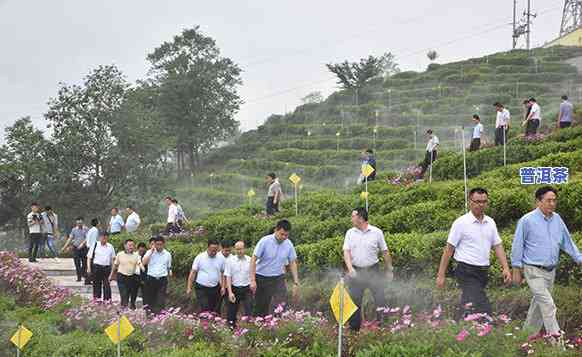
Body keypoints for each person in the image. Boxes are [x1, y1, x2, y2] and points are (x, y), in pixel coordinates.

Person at [511, 186, 582, 342]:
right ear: (538, 201)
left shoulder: (557, 219)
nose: (552, 203)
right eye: (548, 200)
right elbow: (518, 245)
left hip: (550, 271)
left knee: (538, 307)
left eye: (554, 200)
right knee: (548, 305)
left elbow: (567, 241)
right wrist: (516, 269)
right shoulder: (527, 220)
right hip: (533, 270)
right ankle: (558, 346)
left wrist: (579, 258)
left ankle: (524, 340)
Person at [436, 188, 511, 317]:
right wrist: (441, 275)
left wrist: (505, 268)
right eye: (477, 201)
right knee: (482, 304)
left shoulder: (490, 222)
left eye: (484, 201)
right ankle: (486, 323)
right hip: (466, 269)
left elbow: (497, 245)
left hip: (483, 270)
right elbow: (449, 249)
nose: (480, 205)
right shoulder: (461, 223)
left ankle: (458, 324)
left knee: (469, 302)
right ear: (470, 202)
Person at [343, 208, 393, 331]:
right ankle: (354, 332)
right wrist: (350, 269)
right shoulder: (350, 233)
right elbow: (346, 252)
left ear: (360, 218)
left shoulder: (377, 232)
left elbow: (385, 252)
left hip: (373, 271)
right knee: (354, 303)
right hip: (356, 271)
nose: (351, 218)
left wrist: (389, 270)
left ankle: (383, 329)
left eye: (353, 216)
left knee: (380, 299)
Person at [250, 219, 300, 317]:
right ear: (276, 230)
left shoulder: (288, 243)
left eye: (286, 235)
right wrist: (252, 280)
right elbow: (253, 260)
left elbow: (292, 262)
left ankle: (278, 325)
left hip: (278, 278)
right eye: (282, 234)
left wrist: (296, 282)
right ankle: (258, 328)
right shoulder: (264, 241)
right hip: (262, 277)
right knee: (260, 307)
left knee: (281, 305)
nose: (284, 237)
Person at [186, 239, 226, 313]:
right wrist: (189, 287)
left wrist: (223, 286)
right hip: (201, 288)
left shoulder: (221, 258)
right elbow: (193, 273)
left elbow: (223, 273)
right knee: (205, 308)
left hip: (215, 287)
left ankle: (211, 323)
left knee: (214, 309)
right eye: (212, 250)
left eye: (216, 250)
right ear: (207, 248)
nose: (213, 252)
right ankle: (204, 322)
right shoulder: (200, 257)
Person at [142, 235, 172, 315]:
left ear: (164, 244)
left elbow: (169, 268)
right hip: (151, 279)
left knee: (161, 299)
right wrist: (151, 251)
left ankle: (159, 317)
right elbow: (144, 262)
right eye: (157, 244)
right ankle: (150, 316)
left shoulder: (167, 254)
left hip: (162, 279)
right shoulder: (149, 252)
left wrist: (169, 280)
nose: (159, 246)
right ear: (154, 244)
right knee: (150, 299)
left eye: (161, 244)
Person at [225, 240, 252, 327]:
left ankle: (250, 329)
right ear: (234, 250)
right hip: (234, 288)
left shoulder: (250, 260)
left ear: (245, 249)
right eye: (237, 249)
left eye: (241, 249)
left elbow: (253, 274)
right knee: (231, 313)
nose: (239, 251)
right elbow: (228, 277)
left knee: (249, 310)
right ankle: (231, 330)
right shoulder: (230, 260)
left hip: (247, 288)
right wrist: (230, 292)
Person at [109, 238, 142, 309]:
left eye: (132, 245)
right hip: (121, 277)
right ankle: (123, 310)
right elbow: (115, 265)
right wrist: (111, 275)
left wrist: (142, 268)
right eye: (129, 245)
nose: (131, 247)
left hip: (131, 277)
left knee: (131, 294)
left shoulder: (136, 255)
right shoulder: (120, 254)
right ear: (125, 246)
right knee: (124, 295)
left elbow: (139, 264)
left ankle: (129, 307)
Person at [86, 231, 115, 301]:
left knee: (107, 285)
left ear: (107, 238)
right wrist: (89, 268)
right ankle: (97, 300)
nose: (104, 239)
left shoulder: (110, 246)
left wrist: (113, 271)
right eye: (102, 237)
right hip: (97, 267)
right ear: (99, 237)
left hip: (106, 268)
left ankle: (107, 301)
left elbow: (113, 259)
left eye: (105, 237)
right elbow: (89, 257)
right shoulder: (95, 245)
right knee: (96, 284)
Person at [61, 217, 88, 282]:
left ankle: (83, 273)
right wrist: (64, 247)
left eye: (80, 223)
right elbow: (70, 239)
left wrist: (82, 244)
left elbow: (87, 238)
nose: (79, 224)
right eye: (78, 223)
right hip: (76, 248)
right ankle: (79, 277)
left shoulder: (86, 229)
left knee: (84, 263)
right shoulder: (74, 230)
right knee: (77, 263)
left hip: (84, 248)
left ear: (83, 222)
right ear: (76, 223)